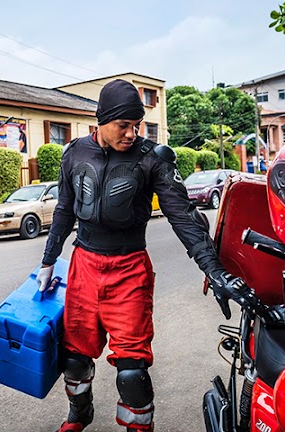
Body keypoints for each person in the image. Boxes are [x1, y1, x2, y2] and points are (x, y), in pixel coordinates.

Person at [36, 79, 258, 432]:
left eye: (136, 125)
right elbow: (65, 210)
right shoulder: (74, 153)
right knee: (74, 359)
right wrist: (48, 260)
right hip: (83, 267)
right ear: (101, 121)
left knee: (132, 372)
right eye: (122, 125)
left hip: (128, 270)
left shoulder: (152, 158)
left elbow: (182, 215)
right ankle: (80, 413)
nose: (131, 133)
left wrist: (214, 271)